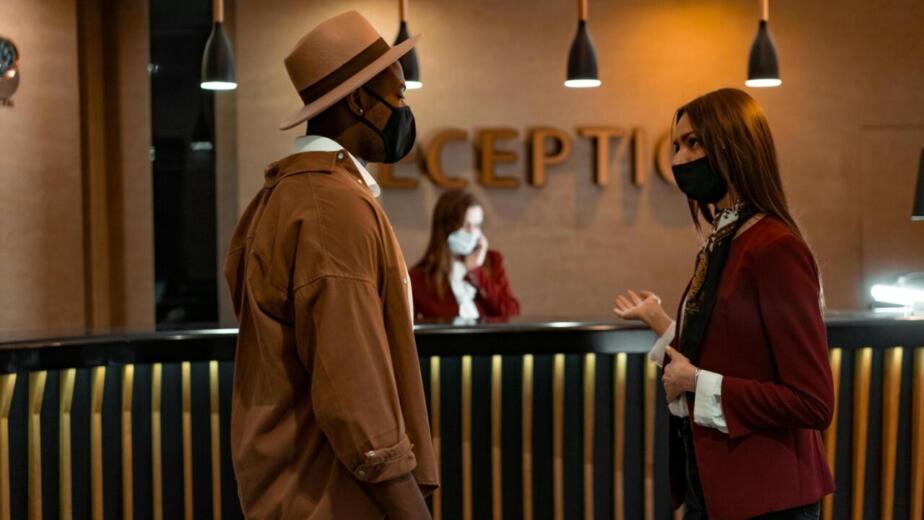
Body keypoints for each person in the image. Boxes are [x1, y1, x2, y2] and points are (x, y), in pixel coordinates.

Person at [224, 11, 437, 519]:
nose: (405, 111)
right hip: (328, 497)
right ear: (360, 101)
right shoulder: (330, 207)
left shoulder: (285, 195)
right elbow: (354, 389)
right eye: (399, 96)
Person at [612, 88, 834, 520]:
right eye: (676, 145)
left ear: (736, 146)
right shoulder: (724, 240)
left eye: (694, 143)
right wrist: (660, 320)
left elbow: (812, 401)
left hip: (768, 497)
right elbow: (731, 350)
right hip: (714, 487)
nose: (679, 159)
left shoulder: (774, 248)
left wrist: (697, 382)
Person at [410, 189, 520, 320]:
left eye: (477, 225)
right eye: (467, 225)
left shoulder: (492, 260)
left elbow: (511, 312)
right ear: (447, 227)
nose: (474, 232)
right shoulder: (419, 278)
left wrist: (476, 272)